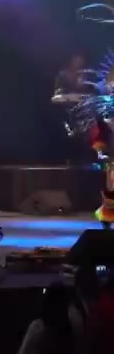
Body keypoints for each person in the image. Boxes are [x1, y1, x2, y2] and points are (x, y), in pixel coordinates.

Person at [71, 54, 114, 229]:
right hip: (111, 154)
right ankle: (107, 220)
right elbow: (98, 135)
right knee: (111, 186)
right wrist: (100, 152)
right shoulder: (103, 110)